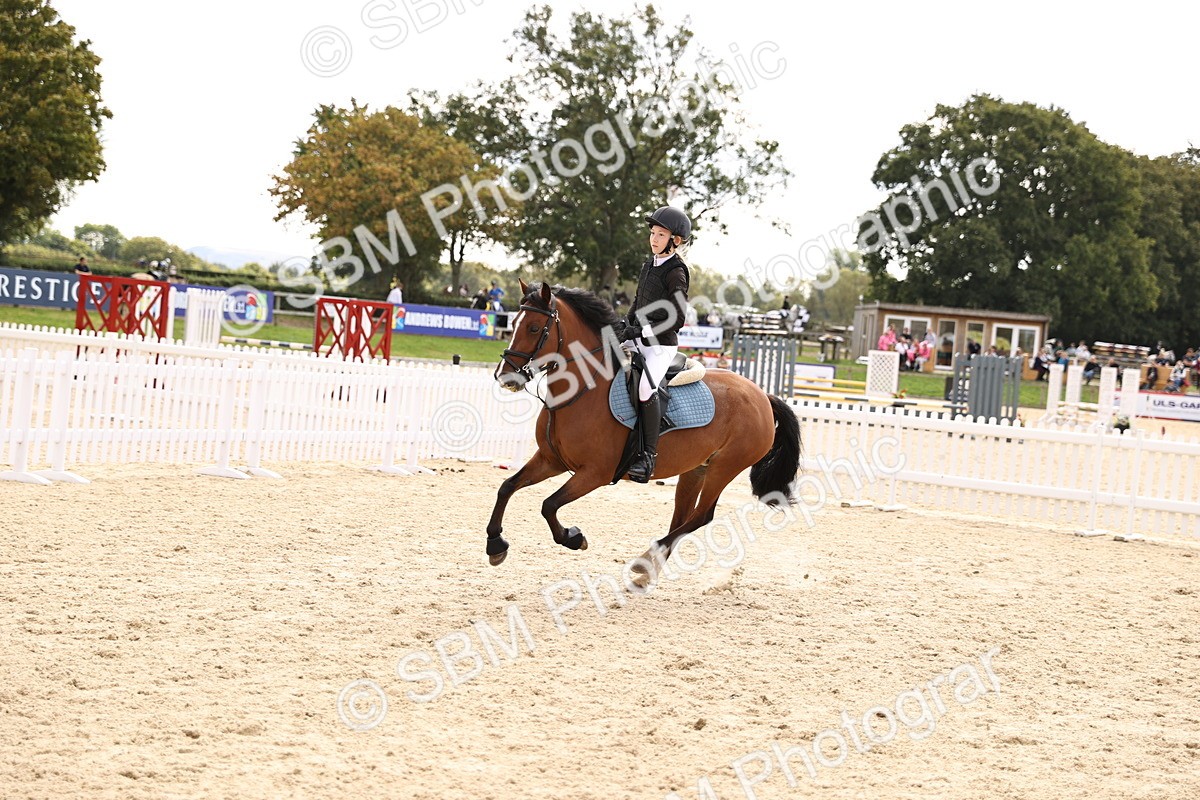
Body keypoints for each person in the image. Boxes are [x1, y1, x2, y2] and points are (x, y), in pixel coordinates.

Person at [616, 205, 691, 483]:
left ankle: (647, 456)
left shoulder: (677, 273)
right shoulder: (649, 265)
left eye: (661, 235)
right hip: (639, 336)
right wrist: (625, 325)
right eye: (652, 233)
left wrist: (641, 332)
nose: (654, 239)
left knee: (646, 389)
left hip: (661, 344)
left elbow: (678, 317)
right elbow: (638, 300)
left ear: (676, 240)